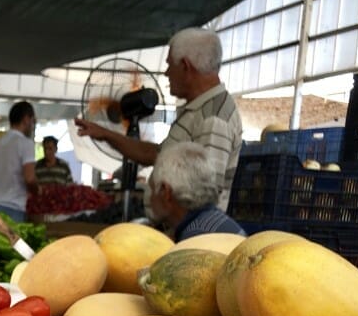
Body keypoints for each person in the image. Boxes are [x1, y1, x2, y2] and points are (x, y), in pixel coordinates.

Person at [74, 27, 243, 209]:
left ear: (186, 66)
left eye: (170, 65)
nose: (166, 73)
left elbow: (205, 196)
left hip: (188, 235)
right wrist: (106, 134)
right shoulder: (199, 109)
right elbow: (154, 155)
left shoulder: (214, 118)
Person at [148, 141, 245, 241]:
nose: (150, 198)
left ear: (165, 193)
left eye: (152, 189)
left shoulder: (195, 239)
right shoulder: (214, 222)